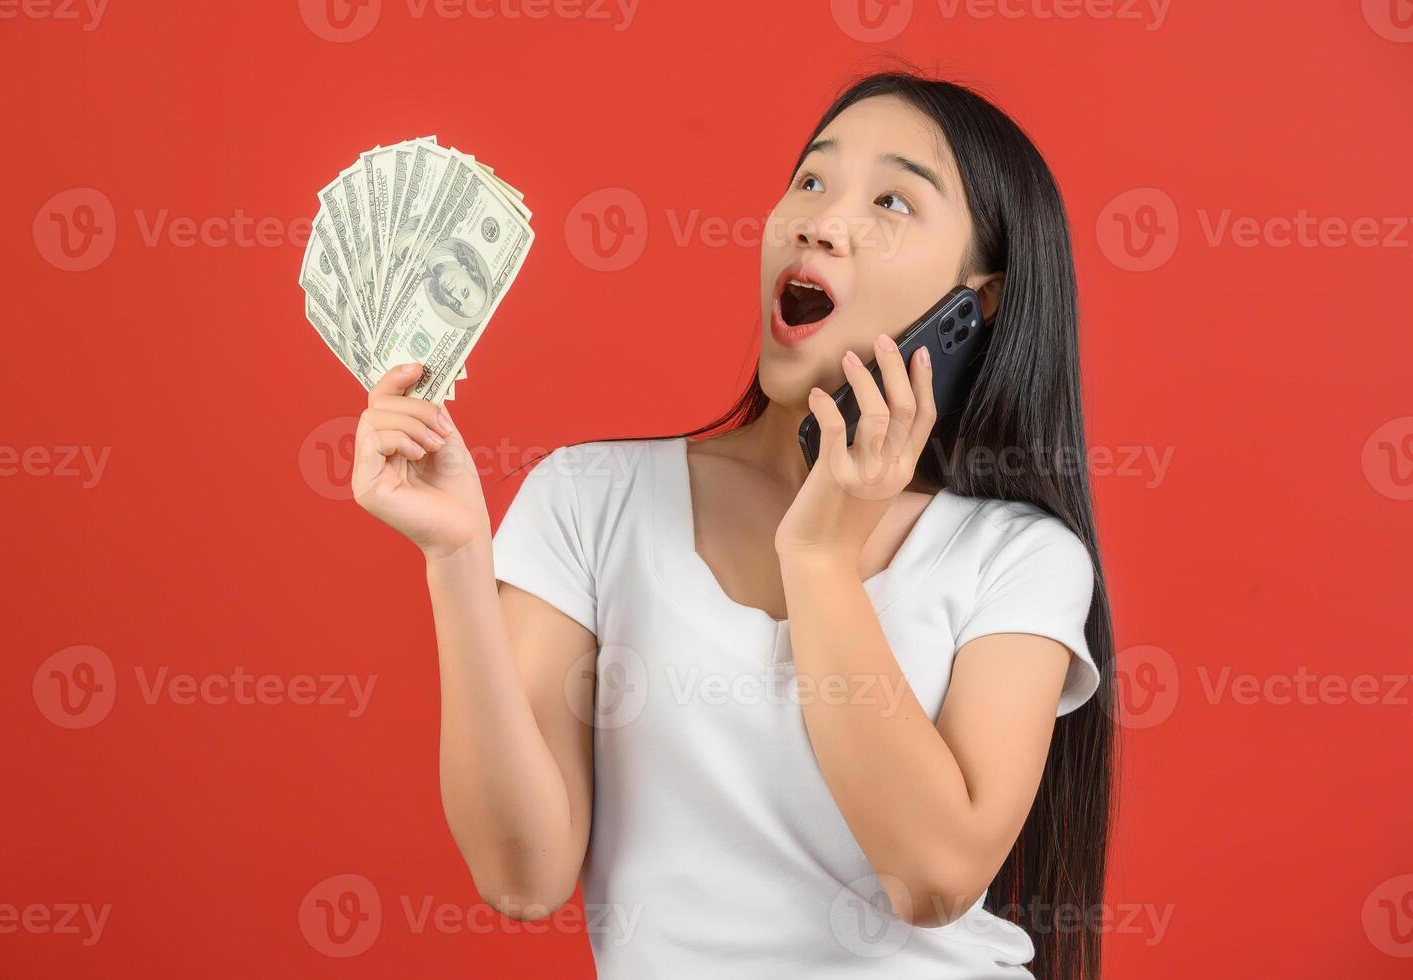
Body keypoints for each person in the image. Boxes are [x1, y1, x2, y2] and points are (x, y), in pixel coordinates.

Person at [348, 68, 1119, 980]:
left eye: (892, 201)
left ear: (973, 305)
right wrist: (455, 557)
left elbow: (933, 879)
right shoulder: (591, 499)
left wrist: (822, 557)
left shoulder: (1017, 558)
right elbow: (522, 877)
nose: (821, 220)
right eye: (811, 179)